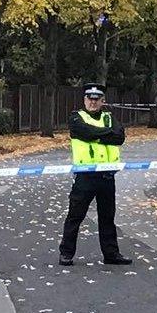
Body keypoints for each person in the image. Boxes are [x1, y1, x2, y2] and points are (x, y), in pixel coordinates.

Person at [58, 83, 132, 266]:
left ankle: (111, 254)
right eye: (89, 99)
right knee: (75, 216)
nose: (93, 102)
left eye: (96, 99)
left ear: (102, 101)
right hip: (85, 176)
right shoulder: (76, 117)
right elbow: (82, 131)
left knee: (107, 218)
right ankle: (66, 253)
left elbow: (119, 137)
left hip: (106, 176)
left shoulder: (109, 117)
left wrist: (95, 135)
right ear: (84, 100)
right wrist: (104, 134)